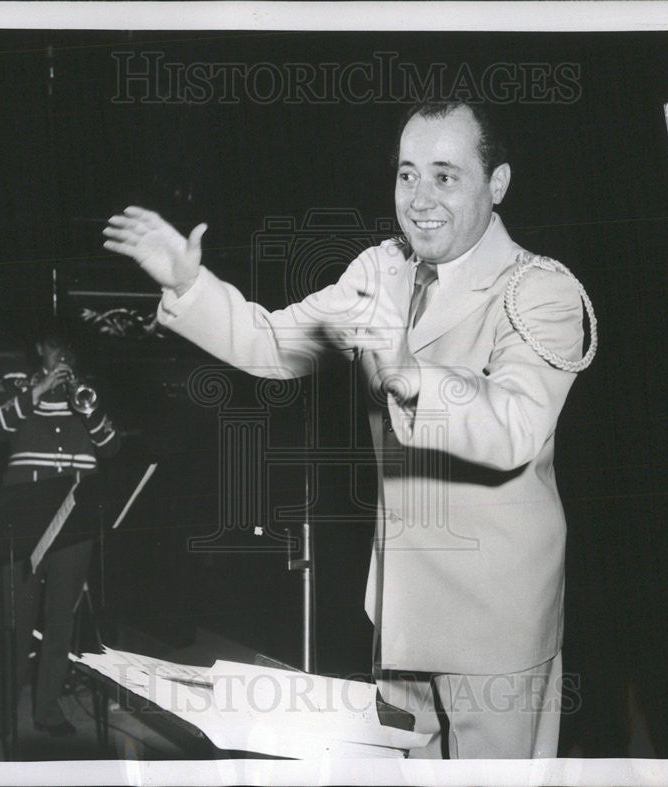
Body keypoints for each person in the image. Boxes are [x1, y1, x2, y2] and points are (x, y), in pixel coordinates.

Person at [104, 100, 588, 758]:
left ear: (496, 183)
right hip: (401, 611)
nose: (420, 199)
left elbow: (515, 428)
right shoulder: (379, 270)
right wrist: (189, 283)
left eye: (446, 176)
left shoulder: (540, 291)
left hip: (497, 623)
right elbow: (273, 344)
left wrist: (412, 372)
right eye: (406, 174)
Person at [0, 326, 120, 746]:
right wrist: (35, 393)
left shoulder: (86, 392)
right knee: (13, 622)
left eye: (68, 349)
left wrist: (88, 411)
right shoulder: (15, 385)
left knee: (61, 620)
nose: (62, 357)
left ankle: (48, 709)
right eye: (56, 347)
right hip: (20, 521)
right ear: (40, 349)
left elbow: (110, 448)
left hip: (74, 521)